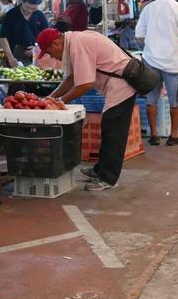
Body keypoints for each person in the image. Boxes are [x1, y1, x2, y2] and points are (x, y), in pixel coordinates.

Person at [38, 27, 137, 191]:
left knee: (113, 133)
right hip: (117, 84)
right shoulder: (73, 42)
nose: (51, 57)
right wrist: (52, 97)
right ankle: (100, 170)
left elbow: (84, 84)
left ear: (55, 43)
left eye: (48, 52)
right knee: (109, 129)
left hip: (122, 85)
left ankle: (108, 178)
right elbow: (71, 78)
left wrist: (60, 101)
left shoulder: (77, 45)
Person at [135, 0, 178, 146]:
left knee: (151, 99)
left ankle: (154, 135)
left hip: (151, 60)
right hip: (173, 61)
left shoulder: (147, 9)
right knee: (176, 100)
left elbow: (139, 36)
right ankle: (173, 136)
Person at [0, 0, 49, 67]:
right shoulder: (11, 15)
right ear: (22, 1)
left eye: (34, 9)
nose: (30, 11)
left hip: (36, 56)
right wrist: (10, 58)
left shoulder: (40, 16)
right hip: (15, 56)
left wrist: (37, 49)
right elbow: (3, 38)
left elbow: (47, 37)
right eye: (28, 7)